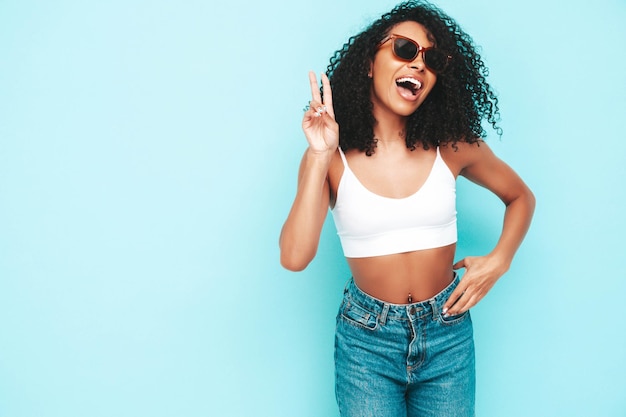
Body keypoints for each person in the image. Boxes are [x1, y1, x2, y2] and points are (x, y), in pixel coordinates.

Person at [279, 1, 535, 415]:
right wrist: (319, 156)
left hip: (447, 334)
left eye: (431, 59)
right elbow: (294, 257)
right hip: (367, 341)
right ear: (368, 63)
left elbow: (521, 196)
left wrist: (500, 259)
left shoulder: (451, 145)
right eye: (403, 49)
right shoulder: (330, 159)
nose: (418, 64)